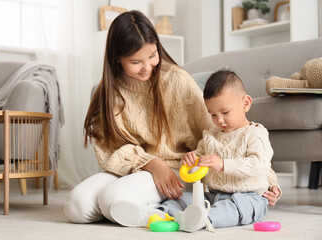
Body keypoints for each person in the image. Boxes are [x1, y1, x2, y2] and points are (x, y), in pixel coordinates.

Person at [64, 10, 280, 230]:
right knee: (76, 206)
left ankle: (147, 210)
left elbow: (222, 135)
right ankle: (132, 206)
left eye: (152, 55)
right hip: (132, 168)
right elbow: (108, 150)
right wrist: (150, 163)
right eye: (136, 61)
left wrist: (268, 181)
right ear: (117, 59)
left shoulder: (177, 80)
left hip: (175, 169)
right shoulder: (108, 92)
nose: (147, 67)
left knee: (112, 199)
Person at [157, 70, 282, 231]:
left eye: (225, 112)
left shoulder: (256, 133)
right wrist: (191, 158)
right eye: (213, 114)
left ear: (245, 103)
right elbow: (199, 155)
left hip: (249, 196)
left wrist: (223, 164)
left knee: (237, 207)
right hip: (214, 195)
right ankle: (161, 213)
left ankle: (203, 218)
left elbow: (259, 165)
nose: (219, 120)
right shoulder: (211, 136)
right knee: (185, 197)